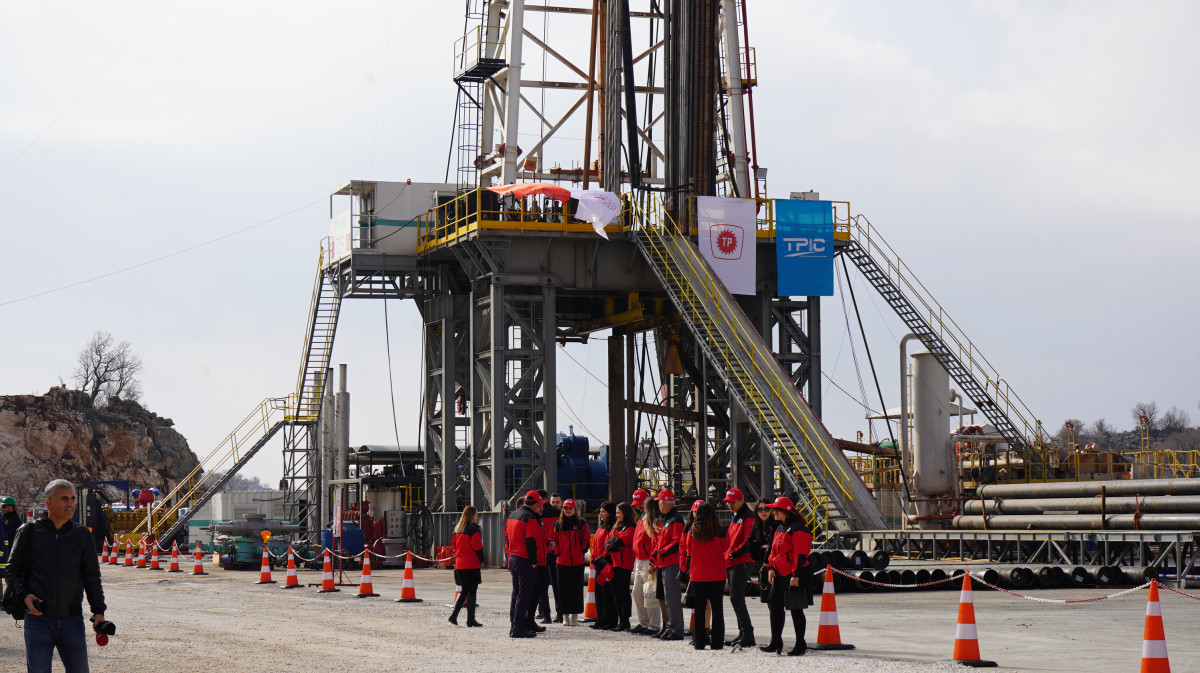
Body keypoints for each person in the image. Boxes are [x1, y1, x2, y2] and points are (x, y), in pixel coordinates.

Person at [7, 479, 106, 673]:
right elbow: (12, 570)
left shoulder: (82, 535)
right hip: (38, 621)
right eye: (64, 499)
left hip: (73, 621)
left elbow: (92, 577)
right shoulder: (29, 532)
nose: (70, 503)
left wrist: (99, 611)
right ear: (49, 503)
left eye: (72, 499)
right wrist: (25, 595)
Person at [759, 496, 812, 656]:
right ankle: (776, 641)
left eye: (774, 509)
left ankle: (800, 645)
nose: (771, 512)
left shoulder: (798, 529)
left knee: (796, 609)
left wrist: (795, 575)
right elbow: (773, 552)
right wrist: (770, 567)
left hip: (795, 574)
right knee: (775, 607)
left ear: (783, 511)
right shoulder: (780, 528)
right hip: (781, 574)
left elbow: (800, 554)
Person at [682, 502, 728, 650]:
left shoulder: (692, 532)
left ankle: (699, 642)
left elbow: (688, 552)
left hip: (698, 574)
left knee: (700, 609)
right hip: (717, 574)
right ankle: (717, 643)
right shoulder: (720, 531)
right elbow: (725, 548)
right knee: (717, 609)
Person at [504, 491, 547, 638]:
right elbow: (530, 541)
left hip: (513, 558)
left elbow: (507, 539)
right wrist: (534, 561)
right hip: (525, 559)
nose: (540, 507)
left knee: (516, 594)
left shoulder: (512, 515)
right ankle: (517, 628)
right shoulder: (530, 518)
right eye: (539, 504)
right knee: (524, 594)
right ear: (535, 504)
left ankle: (515, 625)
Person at [721, 487, 758, 647]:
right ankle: (743, 633)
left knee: (736, 597)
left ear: (741, 500)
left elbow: (747, 539)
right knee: (736, 597)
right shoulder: (736, 516)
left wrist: (734, 553)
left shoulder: (748, 516)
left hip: (741, 560)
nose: (730, 505)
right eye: (728, 503)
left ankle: (747, 633)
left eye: (732, 502)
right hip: (733, 560)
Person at [651, 489, 685, 641]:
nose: (658, 504)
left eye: (659, 502)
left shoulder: (675, 520)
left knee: (672, 597)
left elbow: (677, 542)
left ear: (664, 503)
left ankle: (677, 629)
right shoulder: (669, 519)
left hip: (671, 562)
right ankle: (672, 625)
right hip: (665, 562)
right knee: (668, 597)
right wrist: (657, 553)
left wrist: (662, 552)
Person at [554, 499, 589, 626]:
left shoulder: (581, 523)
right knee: (563, 589)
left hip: (577, 561)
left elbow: (586, 539)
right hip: (562, 561)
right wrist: (558, 552)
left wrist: (581, 550)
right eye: (565, 508)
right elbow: (554, 540)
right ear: (563, 509)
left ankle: (575, 615)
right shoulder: (558, 524)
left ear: (575, 509)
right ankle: (565, 616)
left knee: (576, 589)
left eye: (570, 508)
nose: (568, 510)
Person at [630, 490, 661, 635]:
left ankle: (653, 625)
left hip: (647, 559)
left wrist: (652, 562)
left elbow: (656, 541)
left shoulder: (653, 518)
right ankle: (644, 622)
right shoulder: (643, 517)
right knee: (637, 592)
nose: (638, 507)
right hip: (639, 559)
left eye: (640, 504)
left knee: (650, 593)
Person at [449, 506, 484, 627]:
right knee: (472, 592)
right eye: (476, 514)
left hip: (460, 564)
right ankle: (470, 619)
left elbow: (454, 546)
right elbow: (477, 547)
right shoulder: (474, 530)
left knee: (464, 591)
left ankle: (454, 615)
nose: (477, 516)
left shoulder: (458, 529)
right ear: (472, 515)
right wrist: (482, 559)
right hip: (471, 564)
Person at [605, 502, 636, 632]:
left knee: (623, 592)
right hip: (615, 562)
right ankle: (620, 620)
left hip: (624, 563)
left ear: (625, 513)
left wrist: (614, 543)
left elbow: (621, 541)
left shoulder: (630, 527)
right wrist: (614, 543)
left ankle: (625, 621)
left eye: (619, 513)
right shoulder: (617, 526)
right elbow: (608, 540)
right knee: (616, 592)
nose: (616, 515)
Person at [588, 501, 616, 630]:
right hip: (599, 563)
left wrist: (602, 558)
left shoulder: (612, 527)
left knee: (607, 593)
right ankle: (601, 618)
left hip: (606, 563)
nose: (601, 513)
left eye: (603, 511)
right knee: (599, 593)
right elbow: (595, 545)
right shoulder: (602, 526)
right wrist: (594, 559)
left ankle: (609, 620)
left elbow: (608, 544)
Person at [536, 490, 562, 624]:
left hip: (542, 554)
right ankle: (560, 613)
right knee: (557, 585)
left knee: (542, 585)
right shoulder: (559, 514)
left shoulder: (536, 515)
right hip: (556, 554)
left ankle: (545, 613)